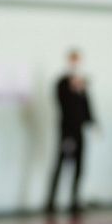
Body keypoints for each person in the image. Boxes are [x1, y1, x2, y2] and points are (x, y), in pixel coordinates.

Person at [45, 49, 95, 215]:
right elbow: (61, 103)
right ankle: (51, 202)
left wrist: (92, 121)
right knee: (60, 164)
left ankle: (74, 200)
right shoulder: (62, 83)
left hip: (79, 130)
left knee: (79, 166)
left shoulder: (81, 83)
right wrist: (71, 87)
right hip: (67, 131)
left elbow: (86, 105)